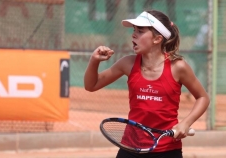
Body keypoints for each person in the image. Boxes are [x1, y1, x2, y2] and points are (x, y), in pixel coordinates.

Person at [84, 10, 210, 158]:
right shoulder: (127, 63)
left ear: (157, 39)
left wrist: (186, 123)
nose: (134, 34)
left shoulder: (178, 67)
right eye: (134, 30)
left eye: (140, 31)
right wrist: (94, 61)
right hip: (130, 148)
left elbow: (203, 97)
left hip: (167, 150)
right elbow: (91, 85)